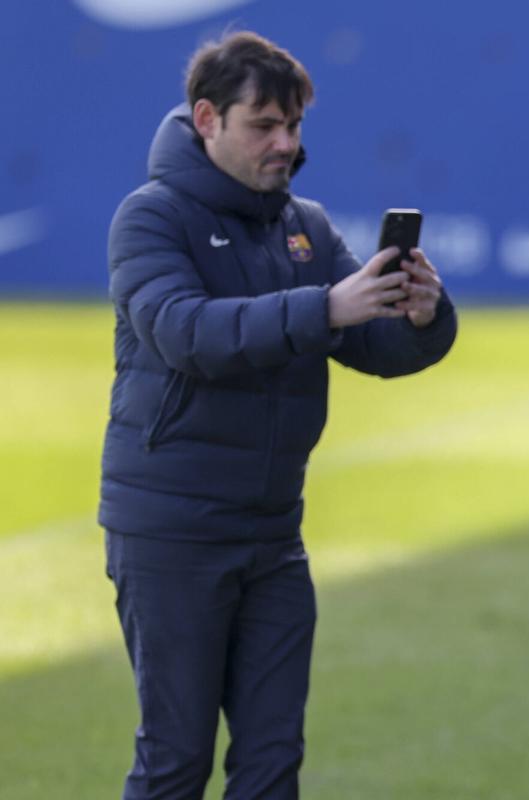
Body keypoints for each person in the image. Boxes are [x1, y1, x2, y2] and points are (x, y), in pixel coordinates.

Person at [100, 31, 457, 799]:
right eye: (265, 126)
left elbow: (374, 347)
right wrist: (326, 304)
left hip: (272, 535)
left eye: (294, 127)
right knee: (176, 760)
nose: (286, 145)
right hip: (172, 532)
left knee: (272, 764)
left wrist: (423, 316)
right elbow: (186, 333)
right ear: (206, 119)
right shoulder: (150, 218)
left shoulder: (306, 225)